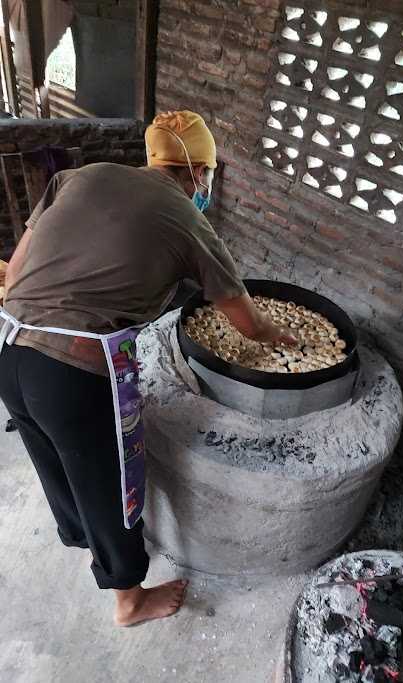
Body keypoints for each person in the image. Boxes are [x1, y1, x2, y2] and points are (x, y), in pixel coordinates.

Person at [0, 111, 295, 626]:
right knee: (106, 482)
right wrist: (280, 335)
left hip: (8, 347)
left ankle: (75, 533)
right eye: (208, 173)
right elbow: (246, 323)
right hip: (71, 374)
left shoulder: (82, 176)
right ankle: (130, 599)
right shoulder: (190, 221)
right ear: (200, 171)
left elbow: (19, 266)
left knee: (49, 450)